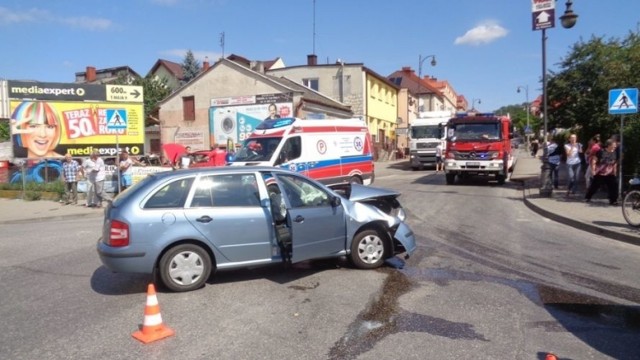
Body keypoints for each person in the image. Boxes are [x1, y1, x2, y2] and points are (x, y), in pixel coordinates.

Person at [585, 139, 618, 205]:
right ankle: (588, 197)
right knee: (594, 186)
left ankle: (613, 200)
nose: (615, 146)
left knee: (613, 186)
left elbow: (615, 163)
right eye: (614, 145)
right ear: (609, 145)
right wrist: (593, 170)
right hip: (600, 173)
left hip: (610, 173)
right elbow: (594, 160)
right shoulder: (601, 151)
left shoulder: (614, 152)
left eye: (615, 145)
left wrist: (614, 172)